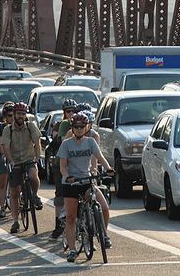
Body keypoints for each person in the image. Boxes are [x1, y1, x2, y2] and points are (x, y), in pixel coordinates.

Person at [58, 112, 114, 263]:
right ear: (72, 128)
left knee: (104, 207)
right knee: (70, 217)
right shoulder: (66, 144)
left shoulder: (90, 142)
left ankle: (104, 234)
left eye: (82, 126)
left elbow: (100, 157)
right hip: (71, 183)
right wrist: (67, 176)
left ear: (87, 127)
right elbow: (62, 166)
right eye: (76, 126)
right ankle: (72, 250)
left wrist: (108, 168)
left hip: (86, 181)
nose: (79, 129)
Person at [2, 102, 43, 234]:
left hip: (28, 159)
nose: (21, 116)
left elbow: (37, 142)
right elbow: (6, 147)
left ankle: (35, 195)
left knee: (33, 176)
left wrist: (37, 157)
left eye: (23, 114)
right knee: (14, 193)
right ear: (14, 115)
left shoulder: (31, 126)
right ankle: (15, 221)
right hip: (15, 162)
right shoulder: (7, 130)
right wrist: (11, 161)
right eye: (19, 114)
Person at [50, 98, 77, 239]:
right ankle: (58, 226)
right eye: (69, 111)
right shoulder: (63, 125)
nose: (71, 114)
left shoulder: (83, 124)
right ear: (64, 113)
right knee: (61, 194)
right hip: (61, 163)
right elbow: (62, 142)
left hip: (78, 164)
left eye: (74, 111)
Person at [0, 102, 15, 218]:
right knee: (2, 183)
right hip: (3, 156)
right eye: (10, 115)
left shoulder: (21, 126)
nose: (12, 118)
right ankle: (2, 208)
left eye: (14, 115)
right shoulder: (0, 128)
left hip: (17, 155)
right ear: (5, 117)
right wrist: (4, 155)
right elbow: (1, 145)